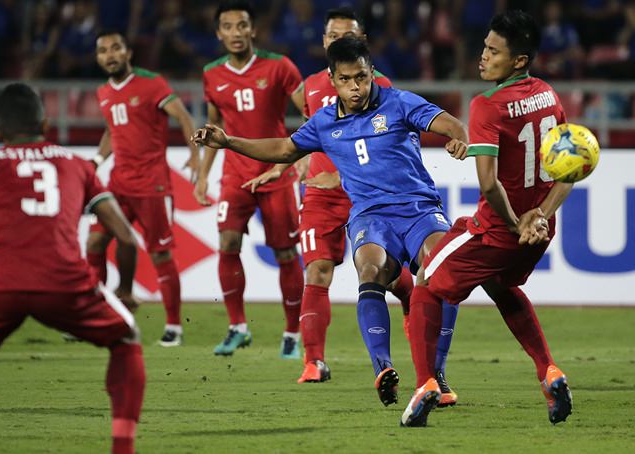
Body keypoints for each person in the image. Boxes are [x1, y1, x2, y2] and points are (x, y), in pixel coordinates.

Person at [193, 36, 469, 407]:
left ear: (372, 73)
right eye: (346, 79)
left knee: (440, 270)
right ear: (332, 79)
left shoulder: (399, 102)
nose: (356, 87)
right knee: (369, 269)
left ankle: (436, 374)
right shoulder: (324, 122)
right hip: (371, 216)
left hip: (418, 208)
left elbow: (450, 122)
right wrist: (228, 142)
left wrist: (457, 138)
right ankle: (383, 369)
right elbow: (284, 149)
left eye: (362, 77)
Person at [0, 83, 145, 454]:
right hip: (64, 283)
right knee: (126, 339)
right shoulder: (77, 166)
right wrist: (125, 290)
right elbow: (127, 238)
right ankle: (123, 448)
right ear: (47, 124)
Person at [401, 11, 574, 427]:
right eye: (484, 47)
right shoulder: (548, 95)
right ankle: (549, 371)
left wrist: (515, 223)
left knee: (424, 281)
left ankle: (426, 383)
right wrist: (538, 219)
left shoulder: (487, 105)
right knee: (502, 285)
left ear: (519, 60)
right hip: (537, 232)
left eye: (494, 52)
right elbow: (569, 171)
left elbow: (490, 185)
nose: (483, 57)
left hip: (498, 230)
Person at [193, 0, 305, 357]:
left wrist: (299, 157)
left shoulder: (279, 67)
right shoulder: (212, 73)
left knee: (285, 252)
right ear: (218, 33)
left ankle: (292, 333)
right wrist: (202, 175)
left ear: (253, 29)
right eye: (228, 26)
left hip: (275, 172)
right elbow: (215, 130)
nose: (236, 33)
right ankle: (237, 327)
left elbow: (311, 111)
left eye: (242, 25)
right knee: (227, 243)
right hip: (235, 174)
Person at [88, 30, 200, 347]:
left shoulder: (152, 83)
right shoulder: (103, 92)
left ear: (128, 53)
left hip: (153, 185)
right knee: (95, 243)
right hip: (118, 184)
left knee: (160, 253)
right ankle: (97, 316)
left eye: (116, 48)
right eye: (103, 51)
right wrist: (97, 160)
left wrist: (194, 153)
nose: (110, 55)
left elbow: (183, 116)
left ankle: (174, 327)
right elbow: (113, 129)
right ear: (98, 58)